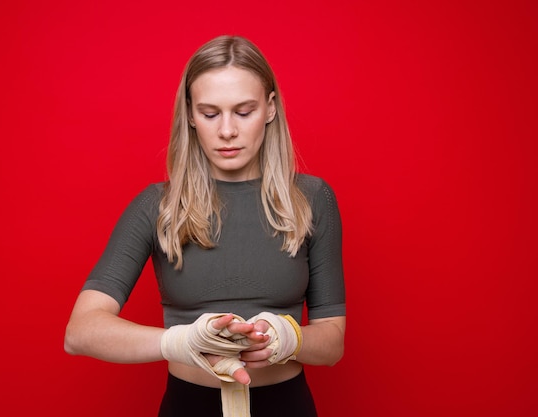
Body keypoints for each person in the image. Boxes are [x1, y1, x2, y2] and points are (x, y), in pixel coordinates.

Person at [64, 35, 346, 417]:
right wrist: (181, 342)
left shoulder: (313, 199)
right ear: (191, 115)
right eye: (210, 113)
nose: (227, 130)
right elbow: (80, 332)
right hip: (188, 406)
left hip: (287, 406)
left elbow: (332, 343)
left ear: (270, 108)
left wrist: (287, 338)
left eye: (243, 111)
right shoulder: (157, 205)